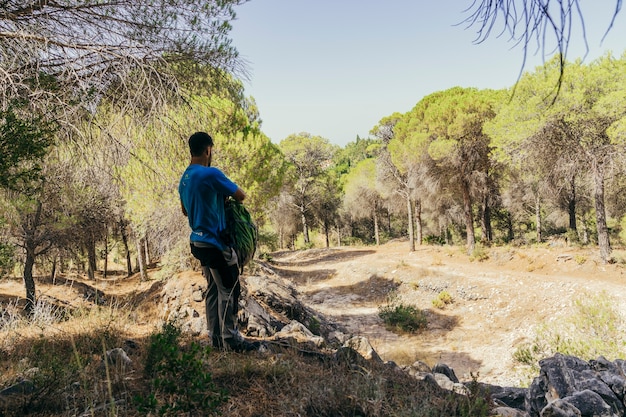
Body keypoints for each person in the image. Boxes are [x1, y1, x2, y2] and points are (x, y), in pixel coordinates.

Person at [178, 131, 260, 352]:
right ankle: (231, 339)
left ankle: (215, 338)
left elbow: (185, 212)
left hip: (197, 243)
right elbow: (240, 195)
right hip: (216, 244)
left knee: (214, 289)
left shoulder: (184, 178)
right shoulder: (210, 174)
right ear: (208, 150)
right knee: (230, 289)